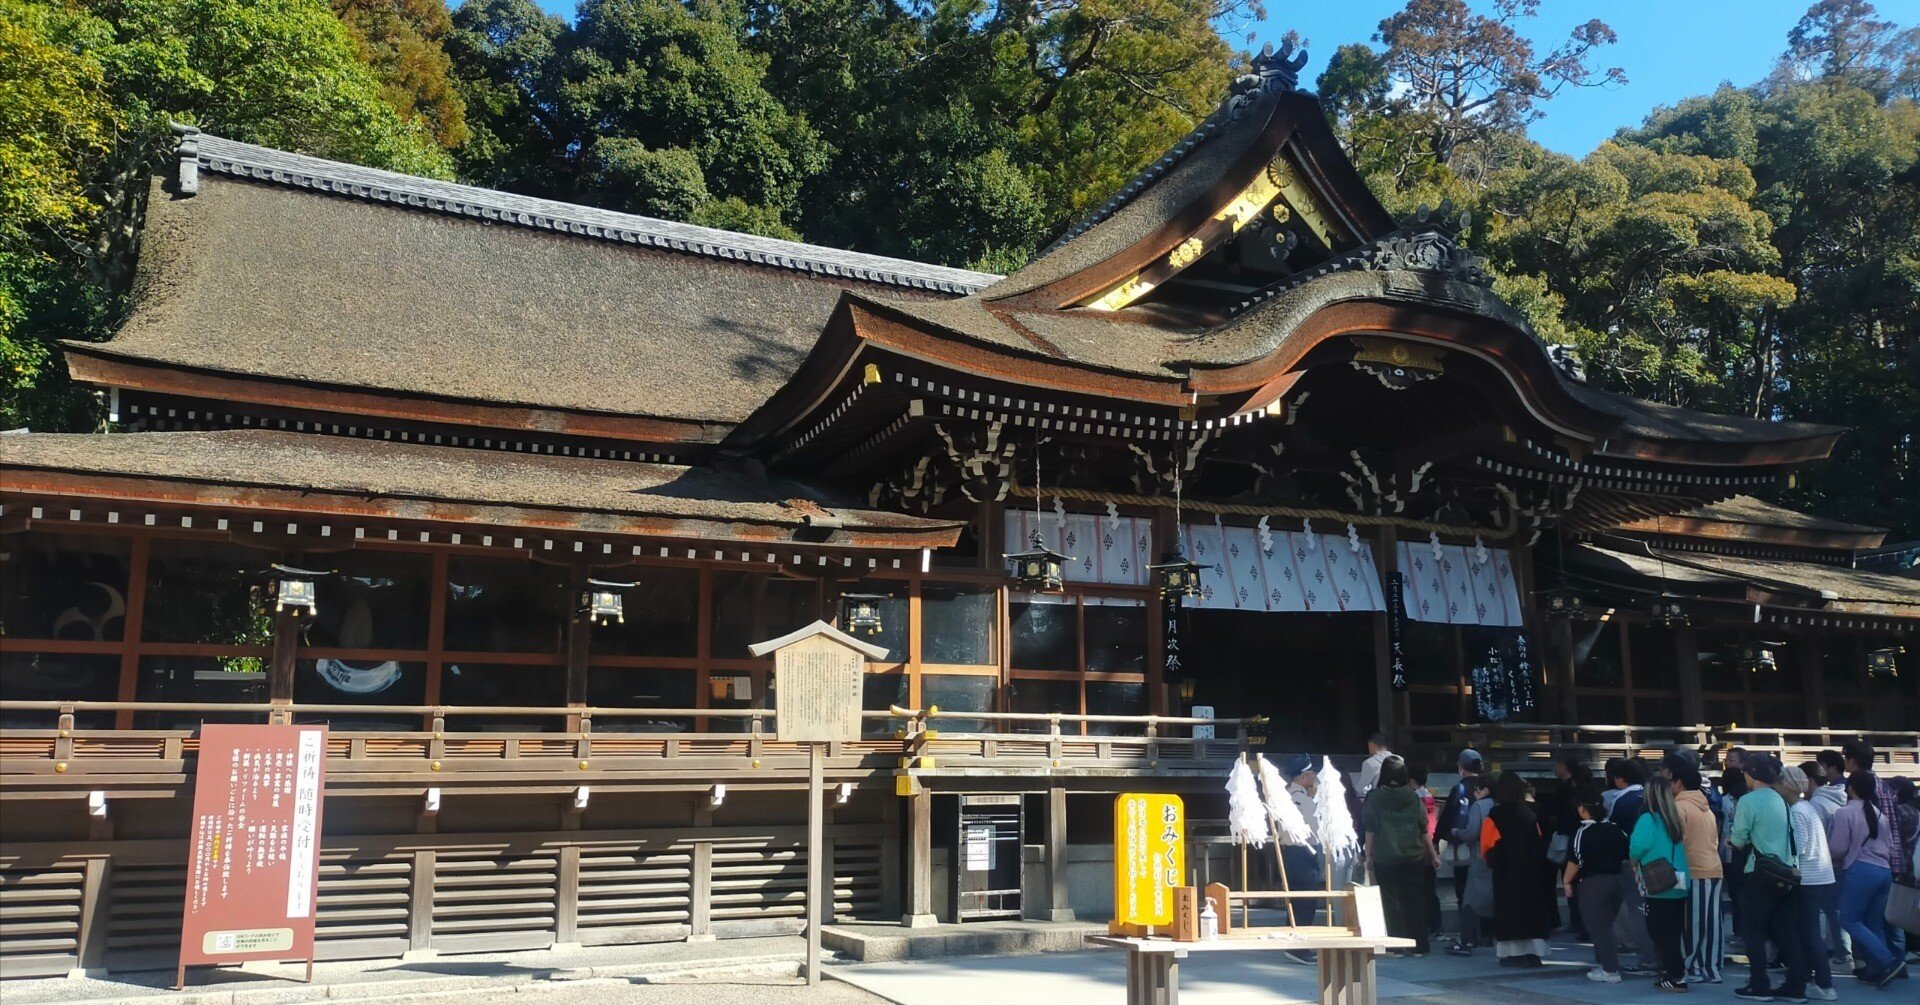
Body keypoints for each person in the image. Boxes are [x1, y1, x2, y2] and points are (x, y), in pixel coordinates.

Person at [1728, 753, 1810, 1002]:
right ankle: (1797, 987)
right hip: (1786, 873)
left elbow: (1739, 838)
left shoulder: (1749, 800)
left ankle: (1759, 984)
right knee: (1786, 931)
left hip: (1760, 872)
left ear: (1751, 774)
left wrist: (1729, 841)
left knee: (1752, 930)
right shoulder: (1781, 799)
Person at [1831, 771, 1907, 988]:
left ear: (1851, 788)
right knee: (1874, 922)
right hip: (1883, 871)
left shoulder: (1845, 813)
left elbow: (1838, 848)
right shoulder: (1878, 813)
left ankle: (1886, 961)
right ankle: (1877, 968)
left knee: (1849, 919)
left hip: (1860, 870)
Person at [1362, 755, 1435, 956]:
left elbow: (1370, 828)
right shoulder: (1412, 797)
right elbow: (1423, 828)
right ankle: (1419, 945)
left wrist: (1368, 855)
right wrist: (1433, 854)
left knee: (1390, 900)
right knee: (1415, 900)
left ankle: (1395, 945)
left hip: (1385, 855)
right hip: (1413, 855)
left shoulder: (1374, 797)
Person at [1482, 772, 1553, 968]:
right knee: (1531, 912)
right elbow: (1539, 841)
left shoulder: (1494, 815)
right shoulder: (1530, 814)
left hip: (1505, 873)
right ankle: (1534, 954)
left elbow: (1486, 847)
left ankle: (1513, 954)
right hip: (1531, 874)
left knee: (1509, 912)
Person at [1629, 779, 1693, 992]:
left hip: (1659, 882)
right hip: (1679, 880)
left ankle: (1676, 976)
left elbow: (1638, 846)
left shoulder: (1648, 819)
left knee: (1659, 931)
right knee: (1673, 932)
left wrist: (1633, 863)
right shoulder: (1673, 819)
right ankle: (1674, 972)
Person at [1565, 790, 1631, 983]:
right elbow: (1628, 852)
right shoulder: (1616, 828)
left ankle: (1610, 970)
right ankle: (1604, 964)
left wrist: (1567, 881)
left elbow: (1575, 859)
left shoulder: (1582, 831)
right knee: (1606, 925)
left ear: (1582, 809)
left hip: (1594, 882)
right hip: (1618, 880)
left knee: (1598, 926)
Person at [1671, 760, 1726, 985]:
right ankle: (1711, 966)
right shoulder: (1707, 808)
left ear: (1679, 783)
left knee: (1693, 922)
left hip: (1693, 868)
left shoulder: (1679, 807)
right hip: (1713, 867)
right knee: (1711, 921)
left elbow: (1677, 840)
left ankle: (1696, 967)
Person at [1436, 749, 1484, 954]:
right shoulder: (1489, 786)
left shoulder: (1460, 789)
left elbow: (1448, 816)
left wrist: (1437, 838)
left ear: (1461, 768)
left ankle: (1469, 935)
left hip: (1463, 844)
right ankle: (1488, 931)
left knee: (1463, 889)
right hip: (1487, 845)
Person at [1448, 775, 1496, 956]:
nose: (1475, 793)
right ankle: (1490, 934)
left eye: (1477, 789)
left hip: (1480, 854)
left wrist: (1456, 831)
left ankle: (1467, 938)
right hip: (1497, 858)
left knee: (1469, 898)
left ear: (1484, 790)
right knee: (1493, 895)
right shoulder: (1497, 805)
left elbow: (1471, 832)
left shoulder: (1479, 806)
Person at [1811, 751, 1848, 824]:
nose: (1819, 769)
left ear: (1833, 767)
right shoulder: (1849, 784)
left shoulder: (1828, 791)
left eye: (1821, 766)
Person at [1357, 732, 1393, 800]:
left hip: (1380, 801)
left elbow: (1360, 789)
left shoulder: (1370, 763)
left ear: (1372, 745)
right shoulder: (1399, 759)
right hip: (1399, 801)